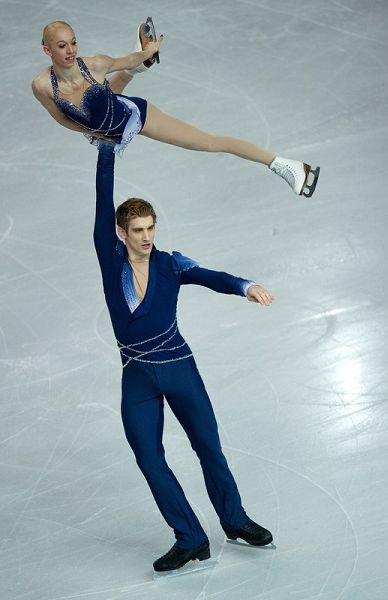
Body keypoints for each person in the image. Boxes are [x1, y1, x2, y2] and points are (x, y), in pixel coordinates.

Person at [94, 142, 274, 572]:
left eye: (150, 228)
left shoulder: (171, 264)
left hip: (179, 369)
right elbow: (102, 203)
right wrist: (105, 150)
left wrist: (244, 285)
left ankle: (235, 520)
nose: (147, 237)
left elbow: (213, 276)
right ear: (122, 232)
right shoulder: (109, 257)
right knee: (149, 459)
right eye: (137, 230)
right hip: (136, 377)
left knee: (208, 447)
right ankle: (190, 537)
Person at [32, 20, 320, 198]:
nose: (70, 50)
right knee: (102, 100)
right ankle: (138, 72)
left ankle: (288, 166)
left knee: (209, 142)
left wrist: (146, 53)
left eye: (73, 42)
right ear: (48, 51)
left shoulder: (95, 64)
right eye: (61, 46)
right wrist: (90, 132)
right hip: (104, 114)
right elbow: (61, 118)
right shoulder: (43, 86)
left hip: (135, 117)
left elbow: (128, 57)